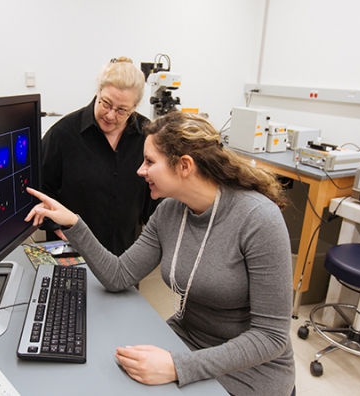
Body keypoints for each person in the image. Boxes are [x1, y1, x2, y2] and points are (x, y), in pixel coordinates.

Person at [25, 111, 296, 396]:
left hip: (251, 369)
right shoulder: (169, 211)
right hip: (188, 342)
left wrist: (178, 367)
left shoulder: (258, 219)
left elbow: (271, 337)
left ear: (185, 166)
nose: (140, 170)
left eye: (149, 162)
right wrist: (74, 223)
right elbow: (119, 276)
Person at [40, 57, 159, 255]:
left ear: (135, 107)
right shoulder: (62, 135)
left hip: (125, 255)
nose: (111, 115)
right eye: (106, 103)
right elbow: (40, 189)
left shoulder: (147, 138)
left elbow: (154, 194)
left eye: (122, 110)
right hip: (72, 251)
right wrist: (56, 225)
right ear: (98, 92)